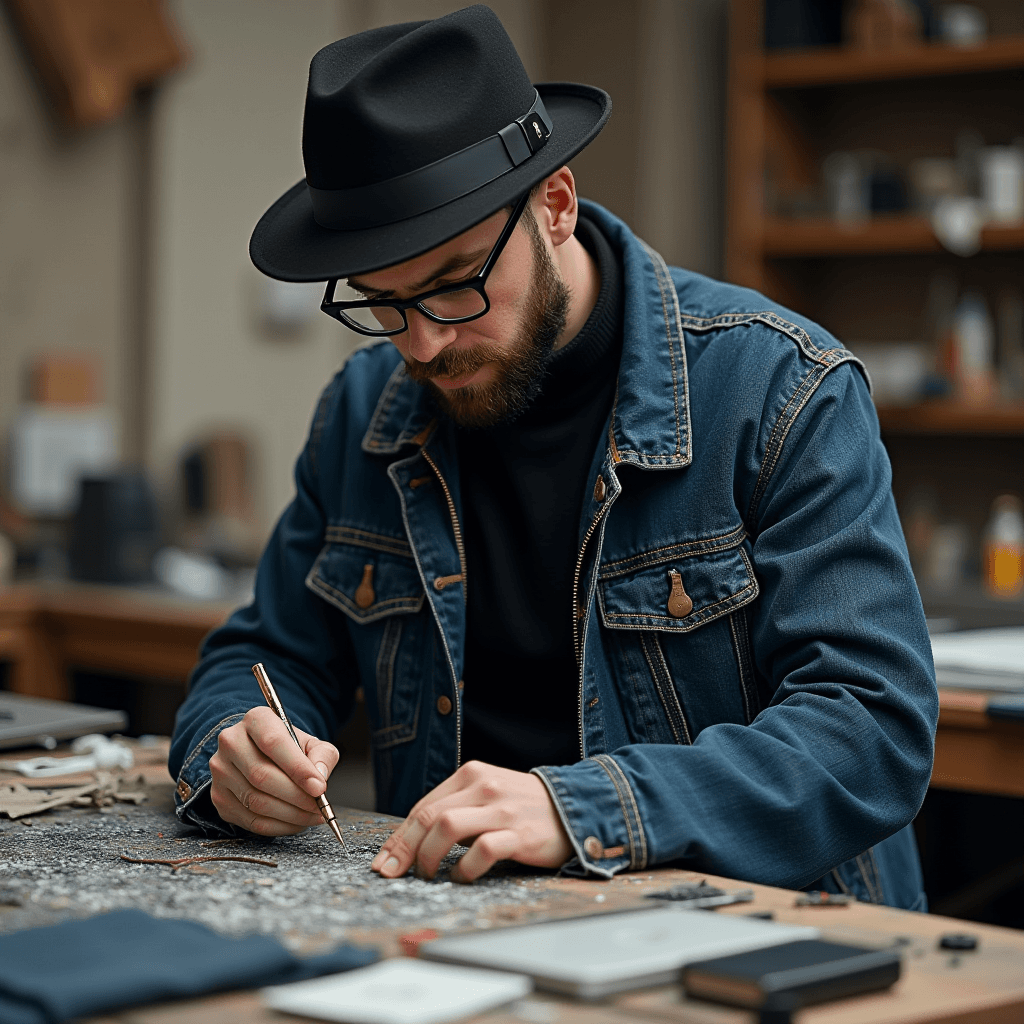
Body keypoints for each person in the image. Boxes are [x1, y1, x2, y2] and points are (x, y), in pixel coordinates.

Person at [169, 5, 937, 908]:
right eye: (382, 303)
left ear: (557, 206)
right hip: (463, 920)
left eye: (452, 285)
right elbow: (268, 649)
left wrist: (578, 808)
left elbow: (870, 727)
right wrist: (241, 741)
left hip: (755, 927)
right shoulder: (361, 411)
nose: (419, 346)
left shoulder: (780, 390)